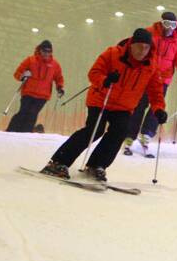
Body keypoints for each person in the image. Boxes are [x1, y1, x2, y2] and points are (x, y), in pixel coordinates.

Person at [41, 29, 167, 182]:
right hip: (101, 99)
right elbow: (94, 73)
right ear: (132, 44)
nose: (143, 51)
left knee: (119, 133)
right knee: (94, 130)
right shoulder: (113, 54)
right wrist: (105, 80)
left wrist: (158, 109)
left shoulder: (151, 66)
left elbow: (155, 91)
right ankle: (59, 162)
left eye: (146, 47)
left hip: (124, 106)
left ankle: (97, 165)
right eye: (139, 46)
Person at [124, 12, 177, 155]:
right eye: (167, 24)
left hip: (163, 79)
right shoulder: (150, 33)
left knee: (157, 106)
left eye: (173, 25)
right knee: (139, 105)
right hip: (146, 75)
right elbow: (137, 48)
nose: (170, 28)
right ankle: (129, 135)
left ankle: (147, 134)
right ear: (161, 22)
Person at [7, 40, 64, 132]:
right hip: (28, 93)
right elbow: (17, 73)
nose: (46, 53)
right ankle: (12, 130)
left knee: (33, 113)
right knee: (23, 112)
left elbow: (59, 77)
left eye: (49, 51)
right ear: (40, 50)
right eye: (44, 51)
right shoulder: (30, 60)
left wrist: (59, 87)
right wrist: (23, 75)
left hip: (43, 95)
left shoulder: (55, 65)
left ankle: (26, 132)